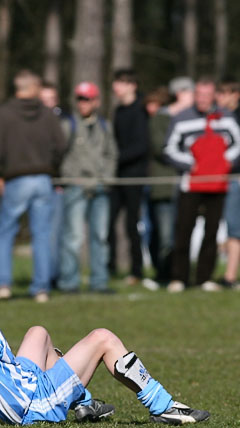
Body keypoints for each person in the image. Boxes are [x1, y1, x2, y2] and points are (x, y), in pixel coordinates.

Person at [0, 268, 209, 426]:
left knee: (38, 332)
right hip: (33, 403)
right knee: (103, 337)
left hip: (21, 387)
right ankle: (162, 405)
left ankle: (83, 404)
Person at [0, 70, 66, 303]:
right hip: (43, 179)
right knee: (42, 235)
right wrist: (52, 167)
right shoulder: (47, 114)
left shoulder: (4, 113)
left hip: (15, 179)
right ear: (34, 88)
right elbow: (61, 146)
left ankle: (2, 285)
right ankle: (41, 288)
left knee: (5, 233)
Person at [164, 76, 240, 292]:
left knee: (212, 231)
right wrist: (192, 164)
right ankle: (179, 277)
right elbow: (169, 148)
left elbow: (238, 144)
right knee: (183, 230)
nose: (203, 99)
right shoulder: (181, 118)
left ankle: (204, 278)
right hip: (191, 184)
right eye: (199, 95)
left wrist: (224, 163)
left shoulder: (226, 117)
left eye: (207, 95)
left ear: (214, 96)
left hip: (217, 184)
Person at [58, 82, 117, 293]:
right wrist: (67, 178)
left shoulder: (104, 126)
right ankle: (69, 282)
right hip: (75, 187)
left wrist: (107, 178)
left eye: (87, 99)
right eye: (80, 99)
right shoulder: (68, 125)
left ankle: (99, 281)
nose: (83, 103)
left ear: (96, 101)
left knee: (100, 237)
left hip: (101, 188)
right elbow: (59, 153)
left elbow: (111, 154)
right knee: (73, 237)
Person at [147, 77, 194, 287]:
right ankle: (165, 274)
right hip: (165, 185)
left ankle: (181, 275)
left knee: (184, 233)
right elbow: (160, 147)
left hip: (189, 185)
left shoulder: (194, 118)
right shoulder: (161, 118)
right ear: (180, 93)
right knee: (166, 236)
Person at [109, 69, 150, 286]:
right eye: (116, 82)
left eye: (122, 83)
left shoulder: (141, 109)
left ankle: (137, 270)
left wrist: (114, 159)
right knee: (109, 223)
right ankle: (110, 267)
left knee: (132, 224)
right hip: (117, 176)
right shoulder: (118, 110)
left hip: (134, 175)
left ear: (132, 85)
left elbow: (142, 146)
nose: (117, 87)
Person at [215, 77, 240, 290]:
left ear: (236, 94)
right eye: (218, 93)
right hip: (228, 177)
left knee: (234, 227)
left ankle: (230, 276)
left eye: (224, 93)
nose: (219, 97)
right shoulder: (220, 116)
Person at [39, 82, 66, 290]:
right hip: (38, 184)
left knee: (56, 234)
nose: (48, 105)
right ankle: (43, 277)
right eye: (43, 100)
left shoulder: (63, 122)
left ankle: (54, 275)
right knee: (42, 234)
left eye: (51, 100)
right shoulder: (31, 123)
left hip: (57, 185)